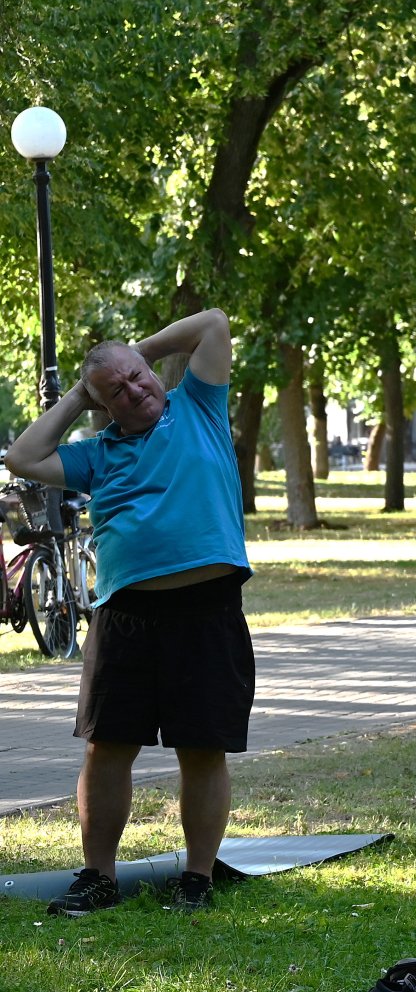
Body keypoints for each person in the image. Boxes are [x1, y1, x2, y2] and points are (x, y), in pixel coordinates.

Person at [4, 310, 249, 916]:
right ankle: (99, 876)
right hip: (125, 615)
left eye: (138, 377)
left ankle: (196, 878)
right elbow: (23, 457)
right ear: (103, 406)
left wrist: (131, 355)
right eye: (117, 391)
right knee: (107, 747)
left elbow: (213, 323)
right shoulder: (96, 454)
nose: (135, 390)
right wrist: (79, 393)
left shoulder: (200, 408)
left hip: (207, 610)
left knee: (203, 748)